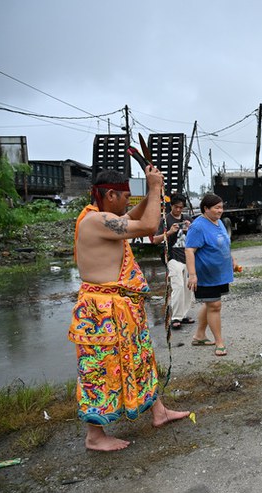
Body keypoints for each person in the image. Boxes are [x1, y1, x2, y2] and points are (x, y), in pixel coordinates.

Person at [67, 168, 189, 451]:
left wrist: (151, 191)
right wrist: (156, 188)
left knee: (141, 359)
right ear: (109, 195)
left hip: (119, 309)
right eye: (124, 196)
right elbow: (147, 227)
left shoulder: (103, 218)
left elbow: (133, 216)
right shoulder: (96, 220)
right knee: (100, 371)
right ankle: (94, 436)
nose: (127, 202)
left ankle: (158, 411)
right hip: (101, 312)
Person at [185, 194, 235, 357]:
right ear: (206, 209)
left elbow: (224, 243)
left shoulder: (218, 221)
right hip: (205, 274)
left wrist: (232, 259)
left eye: (221, 207)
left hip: (219, 273)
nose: (220, 210)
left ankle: (199, 336)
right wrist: (192, 275)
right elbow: (189, 250)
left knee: (209, 304)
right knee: (214, 306)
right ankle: (219, 342)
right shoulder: (198, 226)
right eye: (216, 207)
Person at [151, 194, 194, 329]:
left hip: (187, 256)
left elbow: (198, 234)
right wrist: (169, 232)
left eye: (181, 208)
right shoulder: (164, 220)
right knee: (178, 286)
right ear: (171, 206)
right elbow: (155, 240)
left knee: (188, 287)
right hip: (171, 257)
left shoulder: (187, 218)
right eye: (176, 207)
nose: (179, 210)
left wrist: (191, 228)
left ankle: (183, 315)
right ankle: (175, 316)